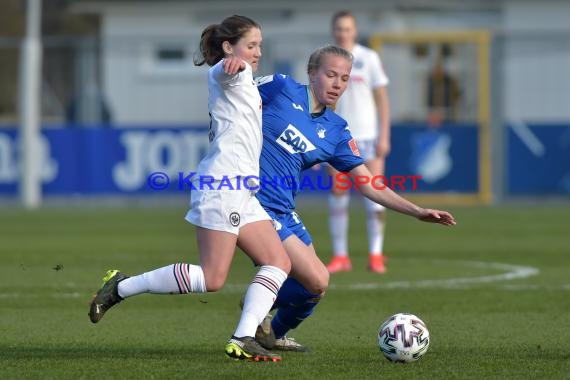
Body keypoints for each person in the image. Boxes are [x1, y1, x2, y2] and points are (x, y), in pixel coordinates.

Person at [88, 15, 291, 363]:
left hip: (242, 190)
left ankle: (243, 336)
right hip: (222, 186)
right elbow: (222, 73)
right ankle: (120, 287)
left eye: (260, 45)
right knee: (212, 278)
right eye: (251, 45)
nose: (257, 52)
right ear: (229, 48)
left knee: (277, 261)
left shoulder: (247, 81)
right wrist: (229, 66)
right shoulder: (230, 74)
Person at [250, 45, 456, 351]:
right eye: (330, 75)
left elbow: (369, 184)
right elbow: (232, 94)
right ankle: (254, 308)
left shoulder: (336, 130)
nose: (337, 84)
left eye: (344, 78)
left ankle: (271, 333)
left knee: (315, 286)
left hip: (283, 208)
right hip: (254, 202)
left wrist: (417, 211)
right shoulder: (280, 87)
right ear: (311, 73)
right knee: (313, 278)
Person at [326, 10, 393, 274]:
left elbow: (382, 99)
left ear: (354, 31)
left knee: (375, 196)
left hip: (369, 136)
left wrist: (384, 135)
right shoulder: (327, 59)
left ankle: (376, 253)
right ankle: (341, 255)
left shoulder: (369, 58)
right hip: (338, 139)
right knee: (338, 195)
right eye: (339, 28)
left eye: (347, 28)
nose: (343, 33)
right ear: (333, 31)